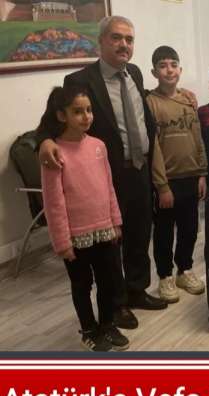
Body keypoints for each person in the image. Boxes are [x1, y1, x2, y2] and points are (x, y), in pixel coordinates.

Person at [38, 16, 171, 330]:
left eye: (129, 39)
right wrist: (44, 140)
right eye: (116, 38)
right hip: (105, 175)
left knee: (139, 234)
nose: (124, 44)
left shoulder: (134, 73)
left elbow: (140, 113)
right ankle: (116, 304)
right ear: (100, 41)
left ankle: (137, 289)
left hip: (139, 168)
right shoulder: (79, 81)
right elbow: (52, 120)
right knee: (110, 247)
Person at [37, 85, 129, 352]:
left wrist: (115, 221)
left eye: (88, 110)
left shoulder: (98, 146)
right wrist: (62, 241)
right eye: (78, 111)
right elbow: (53, 201)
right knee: (82, 284)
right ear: (61, 115)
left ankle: (107, 323)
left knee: (108, 280)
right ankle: (89, 329)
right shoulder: (54, 153)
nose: (86, 116)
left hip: (104, 230)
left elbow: (108, 187)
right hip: (76, 237)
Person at [147, 46, 208, 303]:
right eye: (163, 66)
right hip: (167, 181)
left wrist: (202, 172)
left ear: (180, 70)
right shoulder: (150, 103)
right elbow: (153, 148)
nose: (169, 70)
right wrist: (162, 186)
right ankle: (165, 276)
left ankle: (185, 269)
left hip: (191, 176)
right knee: (164, 231)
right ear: (154, 72)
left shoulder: (188, 101)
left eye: (173, 65)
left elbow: (198, 138)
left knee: (189, 228)